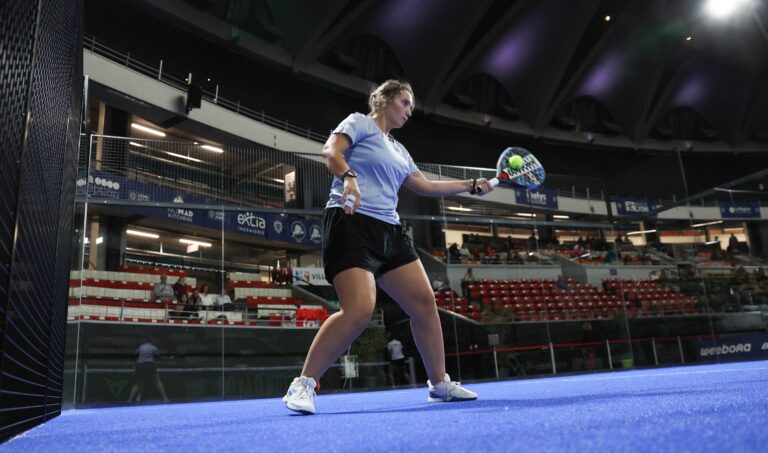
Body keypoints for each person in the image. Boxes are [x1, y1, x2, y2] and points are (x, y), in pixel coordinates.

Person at [283, 80, 485, 415]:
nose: (409, 111)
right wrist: (349, 178)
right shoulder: (359, 123)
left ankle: (439, 384)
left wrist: (470, 184)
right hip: (350, 222)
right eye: (405, 103)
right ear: (385, 100)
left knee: (424, 304)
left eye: (411, 107)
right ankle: (303, 384)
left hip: (390, 231)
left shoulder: (401, 150)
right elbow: (331, 152)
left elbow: (424, 186)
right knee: (359, 310)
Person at [126, 335, 169, 404]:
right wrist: (166, 358)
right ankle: (165, 398)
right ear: (152, 341)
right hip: (149, 364)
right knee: (157, 381)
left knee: (137, 383)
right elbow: (159, 356)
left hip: (139, 365)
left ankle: (129, 399)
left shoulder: (141, 346)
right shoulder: (154, 347)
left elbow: (134, 354)